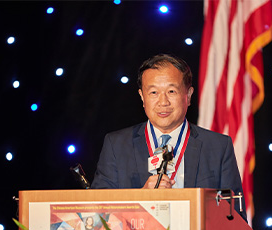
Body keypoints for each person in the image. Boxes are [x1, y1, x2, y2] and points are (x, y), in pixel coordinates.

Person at [92, 54, 246, 219]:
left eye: (171, 91)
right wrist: (140, 198)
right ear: (142, 97)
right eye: (153, 92)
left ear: (188, 95)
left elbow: (235, 218)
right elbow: (98, 213)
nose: (163, 101)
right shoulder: (116, 145)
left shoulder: (218, 147)